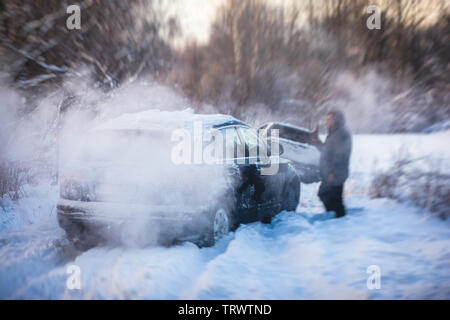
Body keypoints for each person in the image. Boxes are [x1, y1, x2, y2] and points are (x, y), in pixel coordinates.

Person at [311, 110, 352, 218]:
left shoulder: (341, 133)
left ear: (336, 119)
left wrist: (333, 172)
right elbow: (326, 151)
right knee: (327, 195)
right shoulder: (334, 133)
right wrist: (316, 140)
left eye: (329, 119)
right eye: (326, 119)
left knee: (332, 198)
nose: (327, 122)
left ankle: (340, 219)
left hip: (336, 173)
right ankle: (336, 217)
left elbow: (341, 155)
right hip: (330, 173)